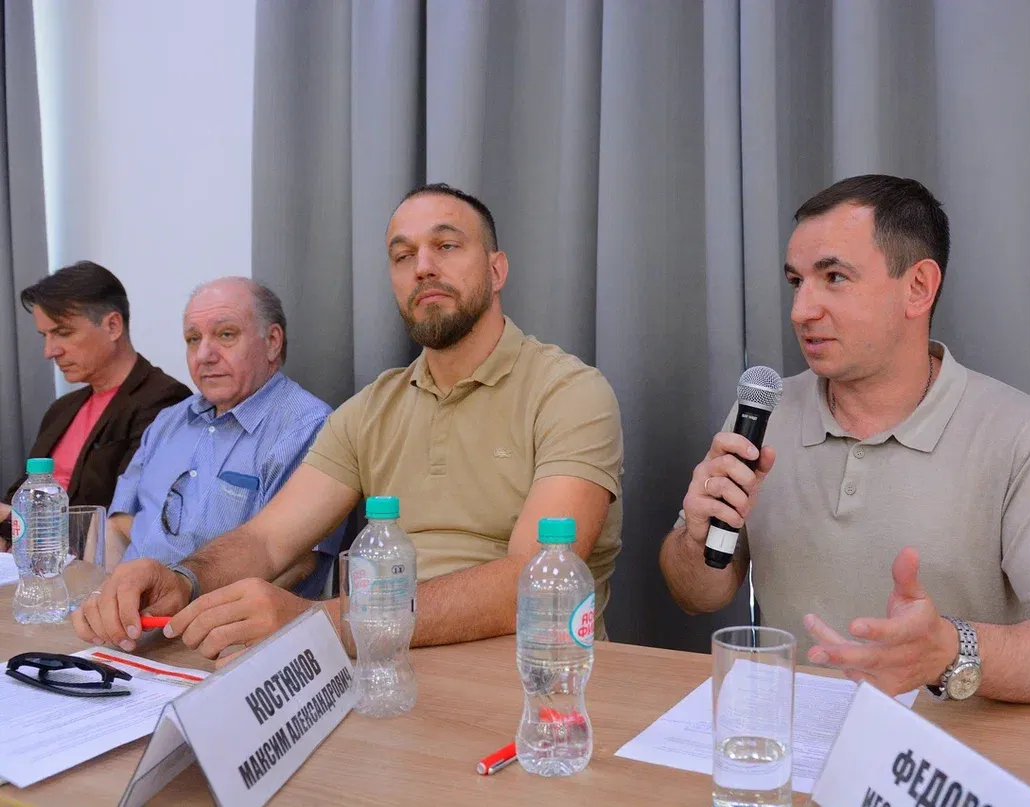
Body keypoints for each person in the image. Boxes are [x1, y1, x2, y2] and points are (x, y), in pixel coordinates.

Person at [72, 183, 623, 664]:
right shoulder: (372, 408)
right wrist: (182, 578)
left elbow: (536, 581)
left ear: (496, 269)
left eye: (447, 246)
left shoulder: (569, 392)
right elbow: (267, 540)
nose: (422, 267)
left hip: (540, 678)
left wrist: (321, 622)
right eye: (402, 256)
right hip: (387, 670)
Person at [659, 174, 1030, 704]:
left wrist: (949, 650)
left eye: (834, 277)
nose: (800, 310)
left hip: (948, 748)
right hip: (794, 735)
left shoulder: (1027, 437)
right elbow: (698, 595)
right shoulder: (762, 414)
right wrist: (695, 540)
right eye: (797, 281)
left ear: (918, 288)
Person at [76, 278, 341, 648]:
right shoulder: (168, 420)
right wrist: (110, 605)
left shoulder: (307, 426)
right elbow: (119, 527)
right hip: (131, 633)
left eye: (226, 335)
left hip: (216, 638)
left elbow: (298, 564)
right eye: (192, 339)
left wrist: (188, 621)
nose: (204, 355)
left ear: (272, 341)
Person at [1, 262, 190, 550]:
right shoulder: (62, 409)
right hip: (30, 559)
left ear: (113, 326)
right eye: (45, 336)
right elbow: (20, 495)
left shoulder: (164, 400)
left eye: (63, 332)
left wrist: (14, 524)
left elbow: (127, 514)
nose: (49, 351)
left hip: (95, 564)